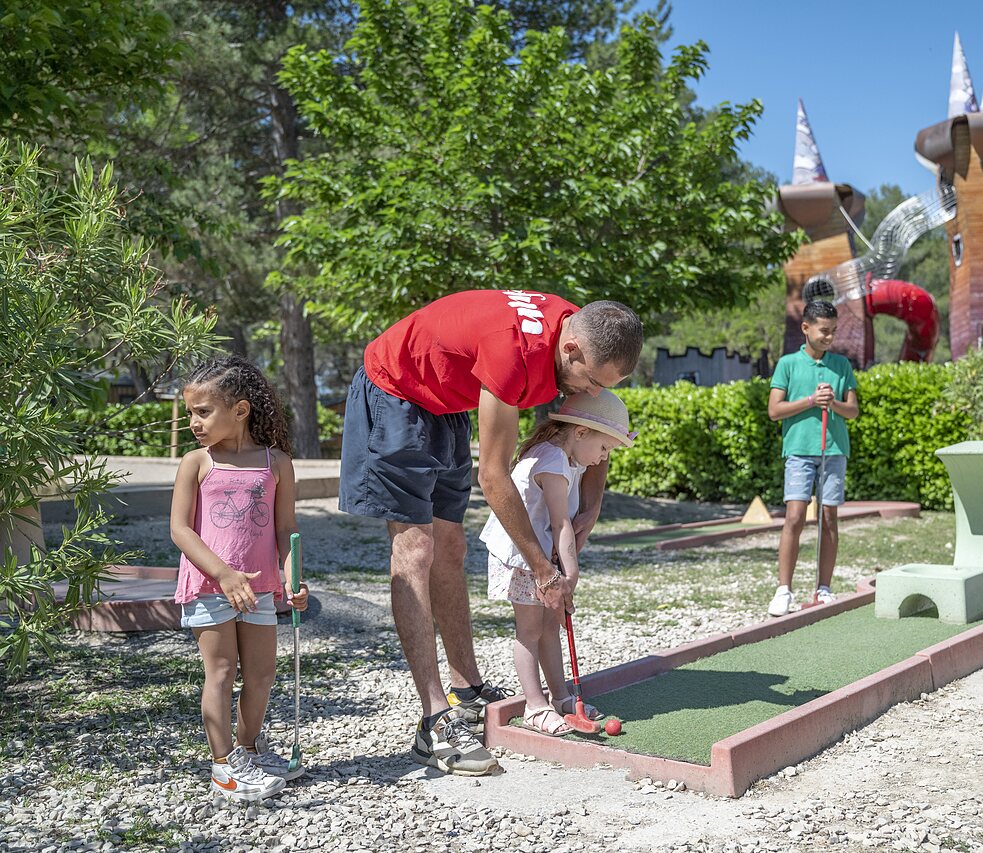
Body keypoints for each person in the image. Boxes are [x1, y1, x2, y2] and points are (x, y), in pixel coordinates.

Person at [339, 290, 642, 775]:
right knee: (416, 548)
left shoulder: (580, 330)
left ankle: (466, 688)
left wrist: (593, 503)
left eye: (601, 386)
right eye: (589, 381)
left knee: (451, 545)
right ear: (571, 349)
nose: (589, 393)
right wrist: (542, 570)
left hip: (445, 405)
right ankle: (434, 720)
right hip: (396, 391)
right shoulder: (512, 353)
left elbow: (596, 420)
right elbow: (494, 477)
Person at [170, 355, 309, 803]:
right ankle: (224, 766)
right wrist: (224, 574)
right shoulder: (196, 462)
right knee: (222, 671)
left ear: (241, 410)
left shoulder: (277, 463)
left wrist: (294, 578)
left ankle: (249, 751)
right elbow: (180, 530)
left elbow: (285, 529)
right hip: (211, 586)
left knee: (263, 674)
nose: (194, 422)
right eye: (191, 412)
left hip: (260, 588)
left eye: (203, 411)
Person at [482, 391, 635, 736]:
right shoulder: (552, 460)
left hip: (540, 554)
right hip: (520, 558)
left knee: (551, 626)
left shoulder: (568, 458)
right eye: (604, 448)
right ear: (581, 432)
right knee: (530, 631)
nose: (603, 458)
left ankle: (562, 697)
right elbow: (560, 522)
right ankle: (534, 706)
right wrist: (571, 573)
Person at [766, 299, 859, 617]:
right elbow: (775, 410)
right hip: (799, 450)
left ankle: (824, 588)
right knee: (794, 517)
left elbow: (853, 410)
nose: (829, 337)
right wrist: (810, 400)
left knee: (829, 517)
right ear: (806, 328)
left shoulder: (842, 365)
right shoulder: (788, 364)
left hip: (833, 450)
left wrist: (832, 403)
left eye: (833, 331)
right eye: (824, 331)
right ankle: (783, 590)